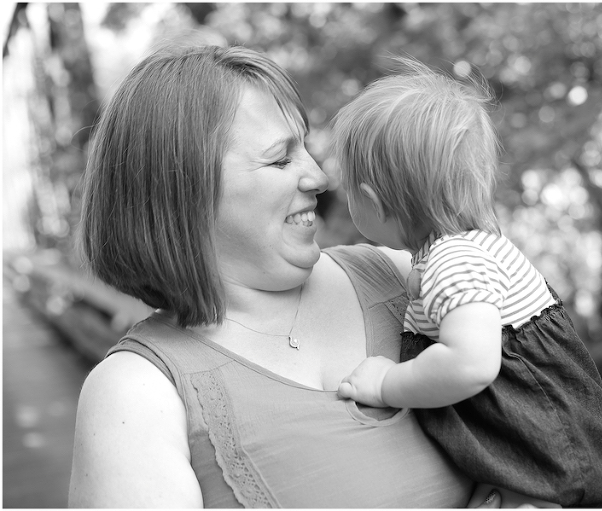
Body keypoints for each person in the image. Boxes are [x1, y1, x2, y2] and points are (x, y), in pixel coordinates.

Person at [68, 44, 508, 508]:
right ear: (183, 194)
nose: (318, 177)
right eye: (281, 160)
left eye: (307, 150)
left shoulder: (410, 277)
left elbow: (565, 429)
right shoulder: (134, 395)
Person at [332, 58, 602, 507]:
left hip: (544, 466)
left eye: (348, 186)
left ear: (371, 199)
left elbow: (470, 364)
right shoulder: (462, 251)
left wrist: (387, 382)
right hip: (543, 455)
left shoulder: (455, 260)